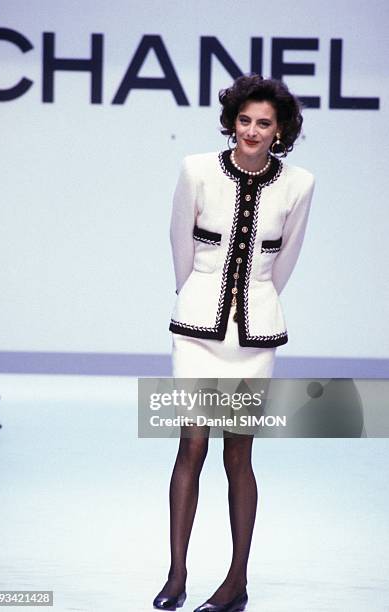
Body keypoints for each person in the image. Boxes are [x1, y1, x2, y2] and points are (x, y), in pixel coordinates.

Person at [153, 74, 315, 612]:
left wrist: (257, 302)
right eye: (244, 120)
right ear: (232, 122)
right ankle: (176, 575)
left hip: (255, 336)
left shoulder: (299, 184)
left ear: (279, 130)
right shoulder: (196, 170)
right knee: (191, 444)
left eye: (263, 123)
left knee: (238, 453)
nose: (250, 130)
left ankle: (235, 582)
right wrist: (194, 297)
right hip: (196, 332)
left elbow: (285, 259)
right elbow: (180, 241)